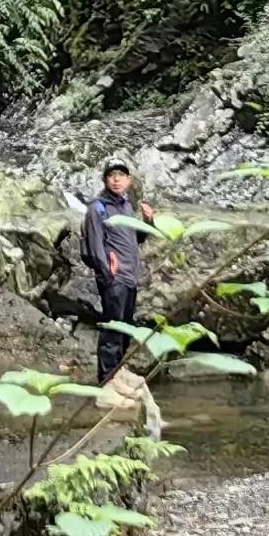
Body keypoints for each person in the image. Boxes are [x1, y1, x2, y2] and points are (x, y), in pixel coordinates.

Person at [82, 160, 153, 382]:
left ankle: (117, 372)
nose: (116, 179)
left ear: (129, 181)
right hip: (114, 278)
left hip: (130, 277)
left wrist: (149, 221)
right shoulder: (98, 208)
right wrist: (108, 274)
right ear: (105, 180)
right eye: (111, 175)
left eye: (121, 175)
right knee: (113, 329)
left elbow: (136, 239)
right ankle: (106, 379)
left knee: (125, 328)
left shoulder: (127, 206)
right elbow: (95, 245)